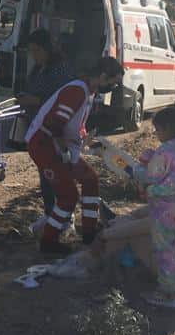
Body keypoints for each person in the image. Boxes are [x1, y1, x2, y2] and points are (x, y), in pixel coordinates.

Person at [25, 56, 124, 255]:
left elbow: (74, 126)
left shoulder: (87, 92)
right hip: (44, 145)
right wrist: (66, 156)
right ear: (103, 76)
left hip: (58, 146)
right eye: (112, 83)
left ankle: (89, 230)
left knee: (91, 180)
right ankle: (49, 241)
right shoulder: (77, 91)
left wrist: (86, 141)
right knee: (68, 195)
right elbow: (54, 125)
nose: (112, 88)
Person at [128, 106, 175, 308]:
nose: (156, 133)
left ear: (170, 127)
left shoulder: (166, 150)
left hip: (163, 206)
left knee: (165, 251)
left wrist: (138, 168)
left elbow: (151, 176)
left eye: (158, 129)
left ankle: (167, 294)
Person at [16, 29, 75, 219]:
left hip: (54, 132)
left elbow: (59, 99)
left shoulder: (61, 69)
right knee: (46, 176)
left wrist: (33, 100)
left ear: (48, 49)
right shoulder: (39, 68)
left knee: (55, 177)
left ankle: (60, 219)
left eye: (37, 50)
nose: (34, 55)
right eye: (31, 51)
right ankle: (51, 215)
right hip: (37, 130)